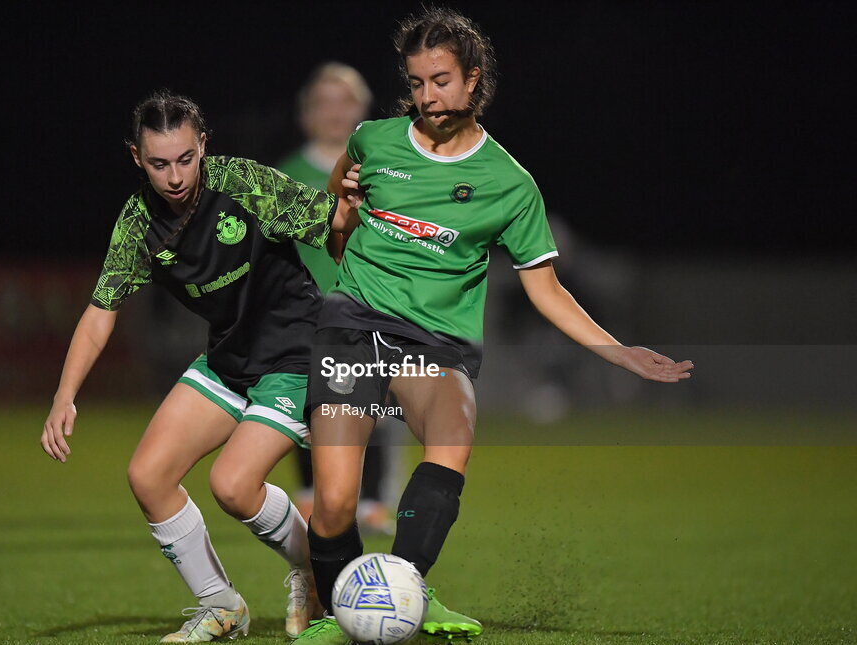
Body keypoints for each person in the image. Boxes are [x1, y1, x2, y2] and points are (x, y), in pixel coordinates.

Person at [294, 8, 693, 643]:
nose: (429, 97)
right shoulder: (374, 140)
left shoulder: (509, 184)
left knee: (453, 430)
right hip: (351, 325)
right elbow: (339, 231)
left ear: (475, 80)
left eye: (443, 80)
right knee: (337, 502)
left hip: (432, 341)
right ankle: (338, 609)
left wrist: (618, 353)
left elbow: (545, 287)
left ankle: (405, 588)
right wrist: (342, 213)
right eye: (418, 82)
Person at [40, 90, 359, 643]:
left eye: (186, 159)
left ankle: (314, 570)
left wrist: (350, 216)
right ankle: (221, 605)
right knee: (148, 476)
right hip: (229, 358)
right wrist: (64, 396)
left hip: (297, 353)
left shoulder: (242, 184)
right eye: (159, 163)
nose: (175, 176)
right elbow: (100, 311)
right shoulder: (139, 222)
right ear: (137, 159)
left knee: (233, 486)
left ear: (203, 146)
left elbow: (332, 221)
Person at [277, 62, 396, 535]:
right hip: (306, 315)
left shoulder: (390, 173)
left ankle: (372, 500)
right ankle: (310, 494)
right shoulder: (284, 176)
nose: (334, 112)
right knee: (309, 406)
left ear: (364, 111)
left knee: (378, 406)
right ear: (306, 114)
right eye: (323, 102)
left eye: (345, 101)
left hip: (374, 307)